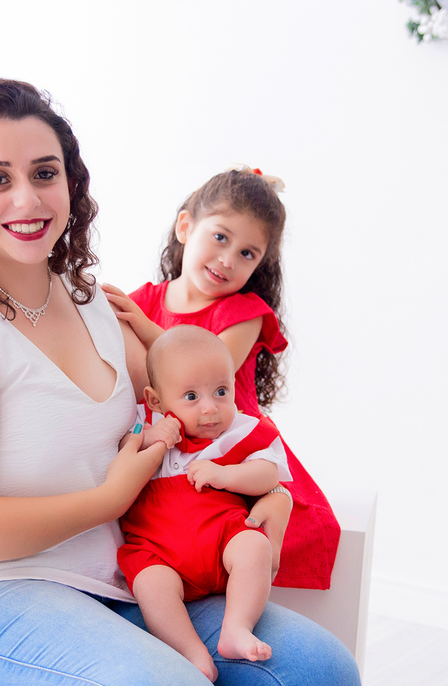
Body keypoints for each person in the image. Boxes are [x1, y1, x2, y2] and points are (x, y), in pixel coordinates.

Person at [0, 78, 361, 686]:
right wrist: (107, 498)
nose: (27, 199)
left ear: (70, 184)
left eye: (45, 173)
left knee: (322, 684)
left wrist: (272, 495)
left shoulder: (90, 301)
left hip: (117, 580)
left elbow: (195, 414)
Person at [104, 167, 342, 592]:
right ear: (185, 226)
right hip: (169, 461)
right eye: (220, 237)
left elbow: (208, 362)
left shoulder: (243, 313)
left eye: (248, 253)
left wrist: (143, 327)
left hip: (230, 449)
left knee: (245, 536)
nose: (228, 260)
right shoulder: (145, 301)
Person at [119, 325, 291, 682]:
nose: (211, 408)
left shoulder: (239, 431)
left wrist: (226, 475)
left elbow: (269, 473)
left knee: (255, 547)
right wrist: (149, 439)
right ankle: (192, 653)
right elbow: (121, 453)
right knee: (150, 586)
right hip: (160, 554)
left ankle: (236, 627)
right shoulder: (145, 425)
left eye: (221, 391)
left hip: (224, 542)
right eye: (192, 397)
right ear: (155, 401)